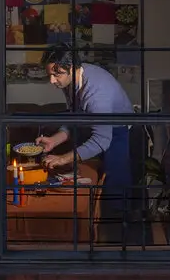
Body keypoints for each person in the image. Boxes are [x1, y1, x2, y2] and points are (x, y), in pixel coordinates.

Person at [37, 48, 137, 236]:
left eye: (56, 75)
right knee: (86, 173)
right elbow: (74, 117)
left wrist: (62, 159)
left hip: (117, 128)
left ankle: (117, 232)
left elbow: (101, 140)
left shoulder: (97, 94)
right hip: (92, 121)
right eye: (49, 74)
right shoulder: (69, 79)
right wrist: (54, 140)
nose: (51, 80)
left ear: (73, 68)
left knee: (115, 181)